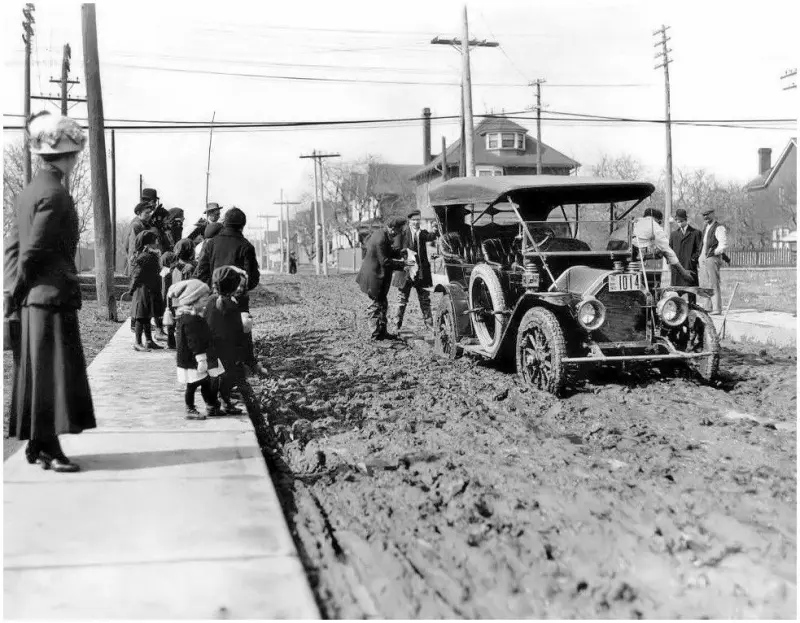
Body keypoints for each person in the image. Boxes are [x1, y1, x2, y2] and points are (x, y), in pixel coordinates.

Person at [3, 111, 95, 473]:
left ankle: (40, 444)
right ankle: (50, 447)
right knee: (52, 374)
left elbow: (15, 245)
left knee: (38, 372)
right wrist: (19, 290)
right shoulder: (56, 195)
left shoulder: (31, 191)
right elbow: (34, 251)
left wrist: (14, 293)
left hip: (34, 298)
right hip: (48, 297)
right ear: (69, 155)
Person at [194, 207, 266, 375]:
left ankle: (217, 370)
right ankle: (247, 364)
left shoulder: (211, 243)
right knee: (242, 332)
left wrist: (212, 291)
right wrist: (240, 289)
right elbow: (253, 278)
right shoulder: (246, 246)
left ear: (224, 223)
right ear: (242, 226)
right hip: (238, 300)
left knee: (216, 332)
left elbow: (201, 272)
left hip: (214, 298)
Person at [204, 266, 262, 417]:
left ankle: (213, 404)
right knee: (229, 378)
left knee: (214, 377)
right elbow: (238, 330)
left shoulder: (210, 301)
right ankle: (224, 402)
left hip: (212, 347)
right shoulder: (232, 305)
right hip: (228, 348)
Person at [168, 279, 223, 420]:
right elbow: (194, 342)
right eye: (204, 300)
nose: (206, 303)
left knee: (204, 382)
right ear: (193, 300)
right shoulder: (190, 320)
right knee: (192, 385)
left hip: (193, 358)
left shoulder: (191, 316)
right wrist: (201, 359)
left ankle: (210, 404)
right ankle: (190, 408)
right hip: (191, 359)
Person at [356, 217, 409, 340]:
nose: (398, 234)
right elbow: (385, 261)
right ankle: (375, 335)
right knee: (375, 305)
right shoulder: (381, 238)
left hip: (377, 276)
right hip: (373, 277)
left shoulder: (382, 234)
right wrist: (403, 265)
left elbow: (387, 251)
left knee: (382, 303)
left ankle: (382, 332)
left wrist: (400, 253)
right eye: (398, 230)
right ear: (392, 228)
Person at [391, 210, 439, 332]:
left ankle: (429, 326)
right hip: (406, 272)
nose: (416, 222)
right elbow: (395, 250)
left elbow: (432, 236)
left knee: (425, 300)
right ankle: (396, 326)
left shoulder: (423, 233)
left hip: (421, 274)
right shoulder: (402, 234)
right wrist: (404, 257)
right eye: (414, 220)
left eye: (418, 219)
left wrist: (436, 228)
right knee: (401, 300)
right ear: (410, 221)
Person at [632, 208, 694, 283]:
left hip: (624, 255)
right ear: (658, 220)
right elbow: (667, 251)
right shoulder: (655, 227)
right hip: (639, 256)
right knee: (660, 252)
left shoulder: (634, 222)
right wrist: (683, 272)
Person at [128, 230, 166, 352]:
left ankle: (149, 341)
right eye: (154, 241)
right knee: (141, 316)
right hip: (143, 290)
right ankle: (138, 342)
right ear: (147, 244)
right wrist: (132, 289)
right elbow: (137, 274)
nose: (157, 243)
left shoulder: (150, 256)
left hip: (149, 289)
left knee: (147, 315)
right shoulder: (145, 257)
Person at [699, 208, 729, 315]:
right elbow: (704, 243)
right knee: (705, 283)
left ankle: (717, 308)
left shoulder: (719, 227)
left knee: (713, 283)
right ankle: (707, 307)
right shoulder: (706, 228)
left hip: (713, 258)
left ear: (713, 214)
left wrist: (714, 252)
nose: (705, 217)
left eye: (707, 215)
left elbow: (723, 245)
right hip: (704, 258)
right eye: (704, 215)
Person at [669, 208, 703, 286]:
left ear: (686, 220)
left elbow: (699, 249)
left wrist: (693, 259)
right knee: (676, 291)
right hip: (677, 267)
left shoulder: (696, 233)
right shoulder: (673, 234)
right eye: (677, 221)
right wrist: (671, 262)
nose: (679, 223)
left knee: (691, 291)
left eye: (681, 221)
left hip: (689, 266)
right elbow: (670, 250)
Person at [160, 251, 179, 349]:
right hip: (172, 299)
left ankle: (171, 342)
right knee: (173, 323)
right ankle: (172, 342)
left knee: (170, 324)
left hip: (167, 300)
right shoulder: (171, 272)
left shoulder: (163, 271)